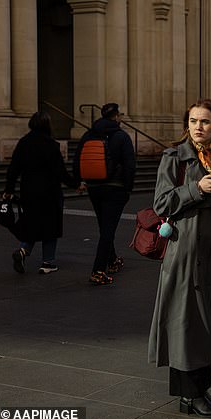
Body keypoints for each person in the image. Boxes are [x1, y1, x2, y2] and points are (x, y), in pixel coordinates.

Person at [148, 99, 211, 418]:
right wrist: (197, 188)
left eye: (204, 121)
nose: (198, 127)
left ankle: (196, 392)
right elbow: (161, 203)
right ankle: (192, 393)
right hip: (185, 252)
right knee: (187, 322)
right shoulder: (173, 157)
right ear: (186, 125)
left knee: (209, 321)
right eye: (193, 121)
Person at [3, 111, 77, 274]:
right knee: (51, 226)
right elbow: (60, 172)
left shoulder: (24, 142)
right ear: (47, 125)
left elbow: (13, 169)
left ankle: (23, 251)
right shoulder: (51, 144)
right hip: (50, 192)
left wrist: (8, 190)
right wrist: (75, 184)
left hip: (28, 191)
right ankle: (47, 262)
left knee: (32, 223)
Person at [73, 103, 136, 285]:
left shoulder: (88, 135)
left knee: (104, 226)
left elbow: (77, 159)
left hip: (94, 187)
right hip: (115, 188)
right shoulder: (121, 136)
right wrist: (127, 188)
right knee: (108, 229)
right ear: (116, 116)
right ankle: (98, 270)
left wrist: (79, 181)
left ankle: (113, 260)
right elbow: (130, 165)